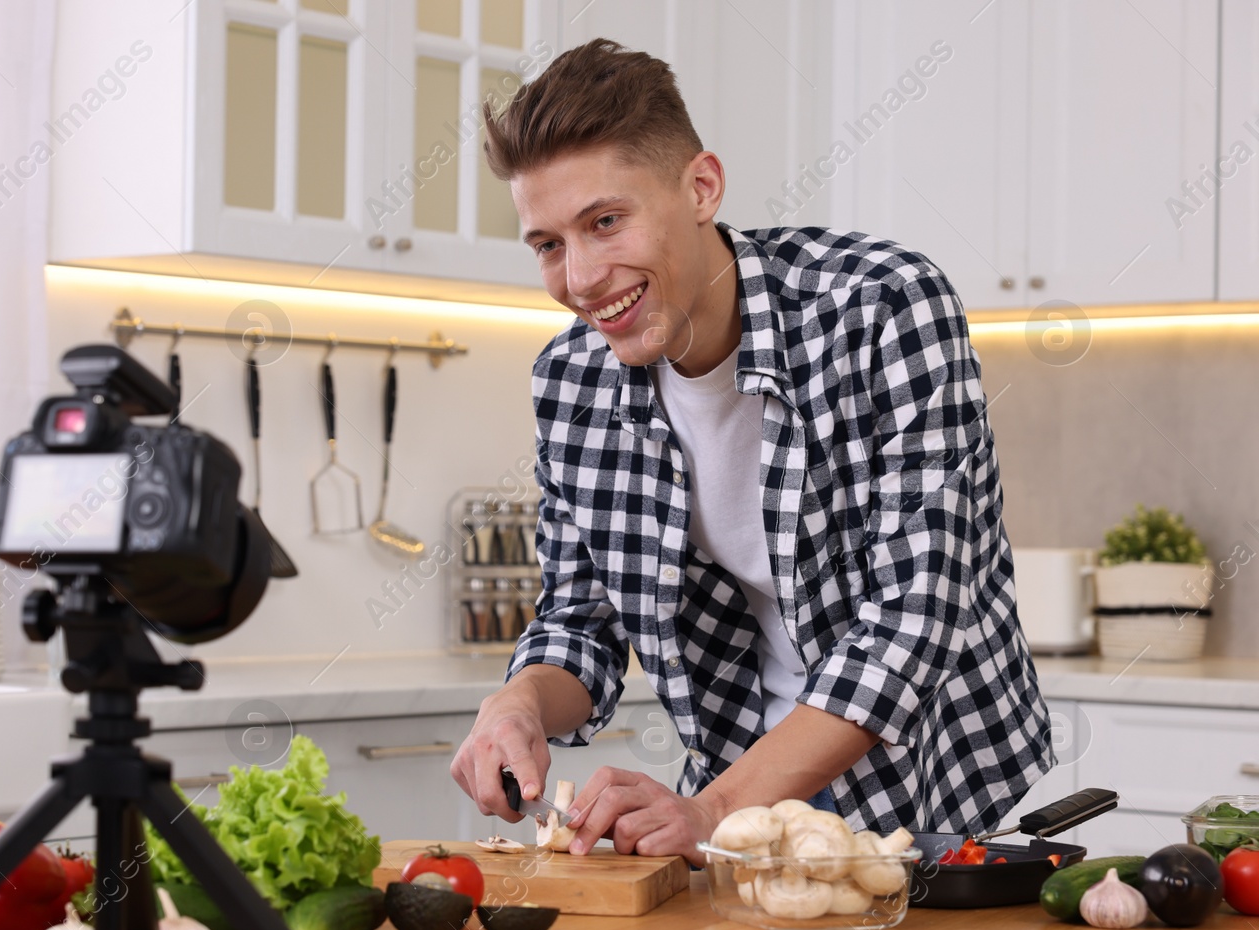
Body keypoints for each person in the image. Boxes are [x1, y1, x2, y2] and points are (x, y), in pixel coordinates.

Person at [449, 39, 1053, 867]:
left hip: (942, 809)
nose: (582, 277)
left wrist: (711, 810)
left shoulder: (882, 309)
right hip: (746, 822)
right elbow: (580, 622)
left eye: (605, 221)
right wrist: (517, 702)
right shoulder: (570, 380)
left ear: (702, 187)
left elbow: (915, 619)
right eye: (548, 244)